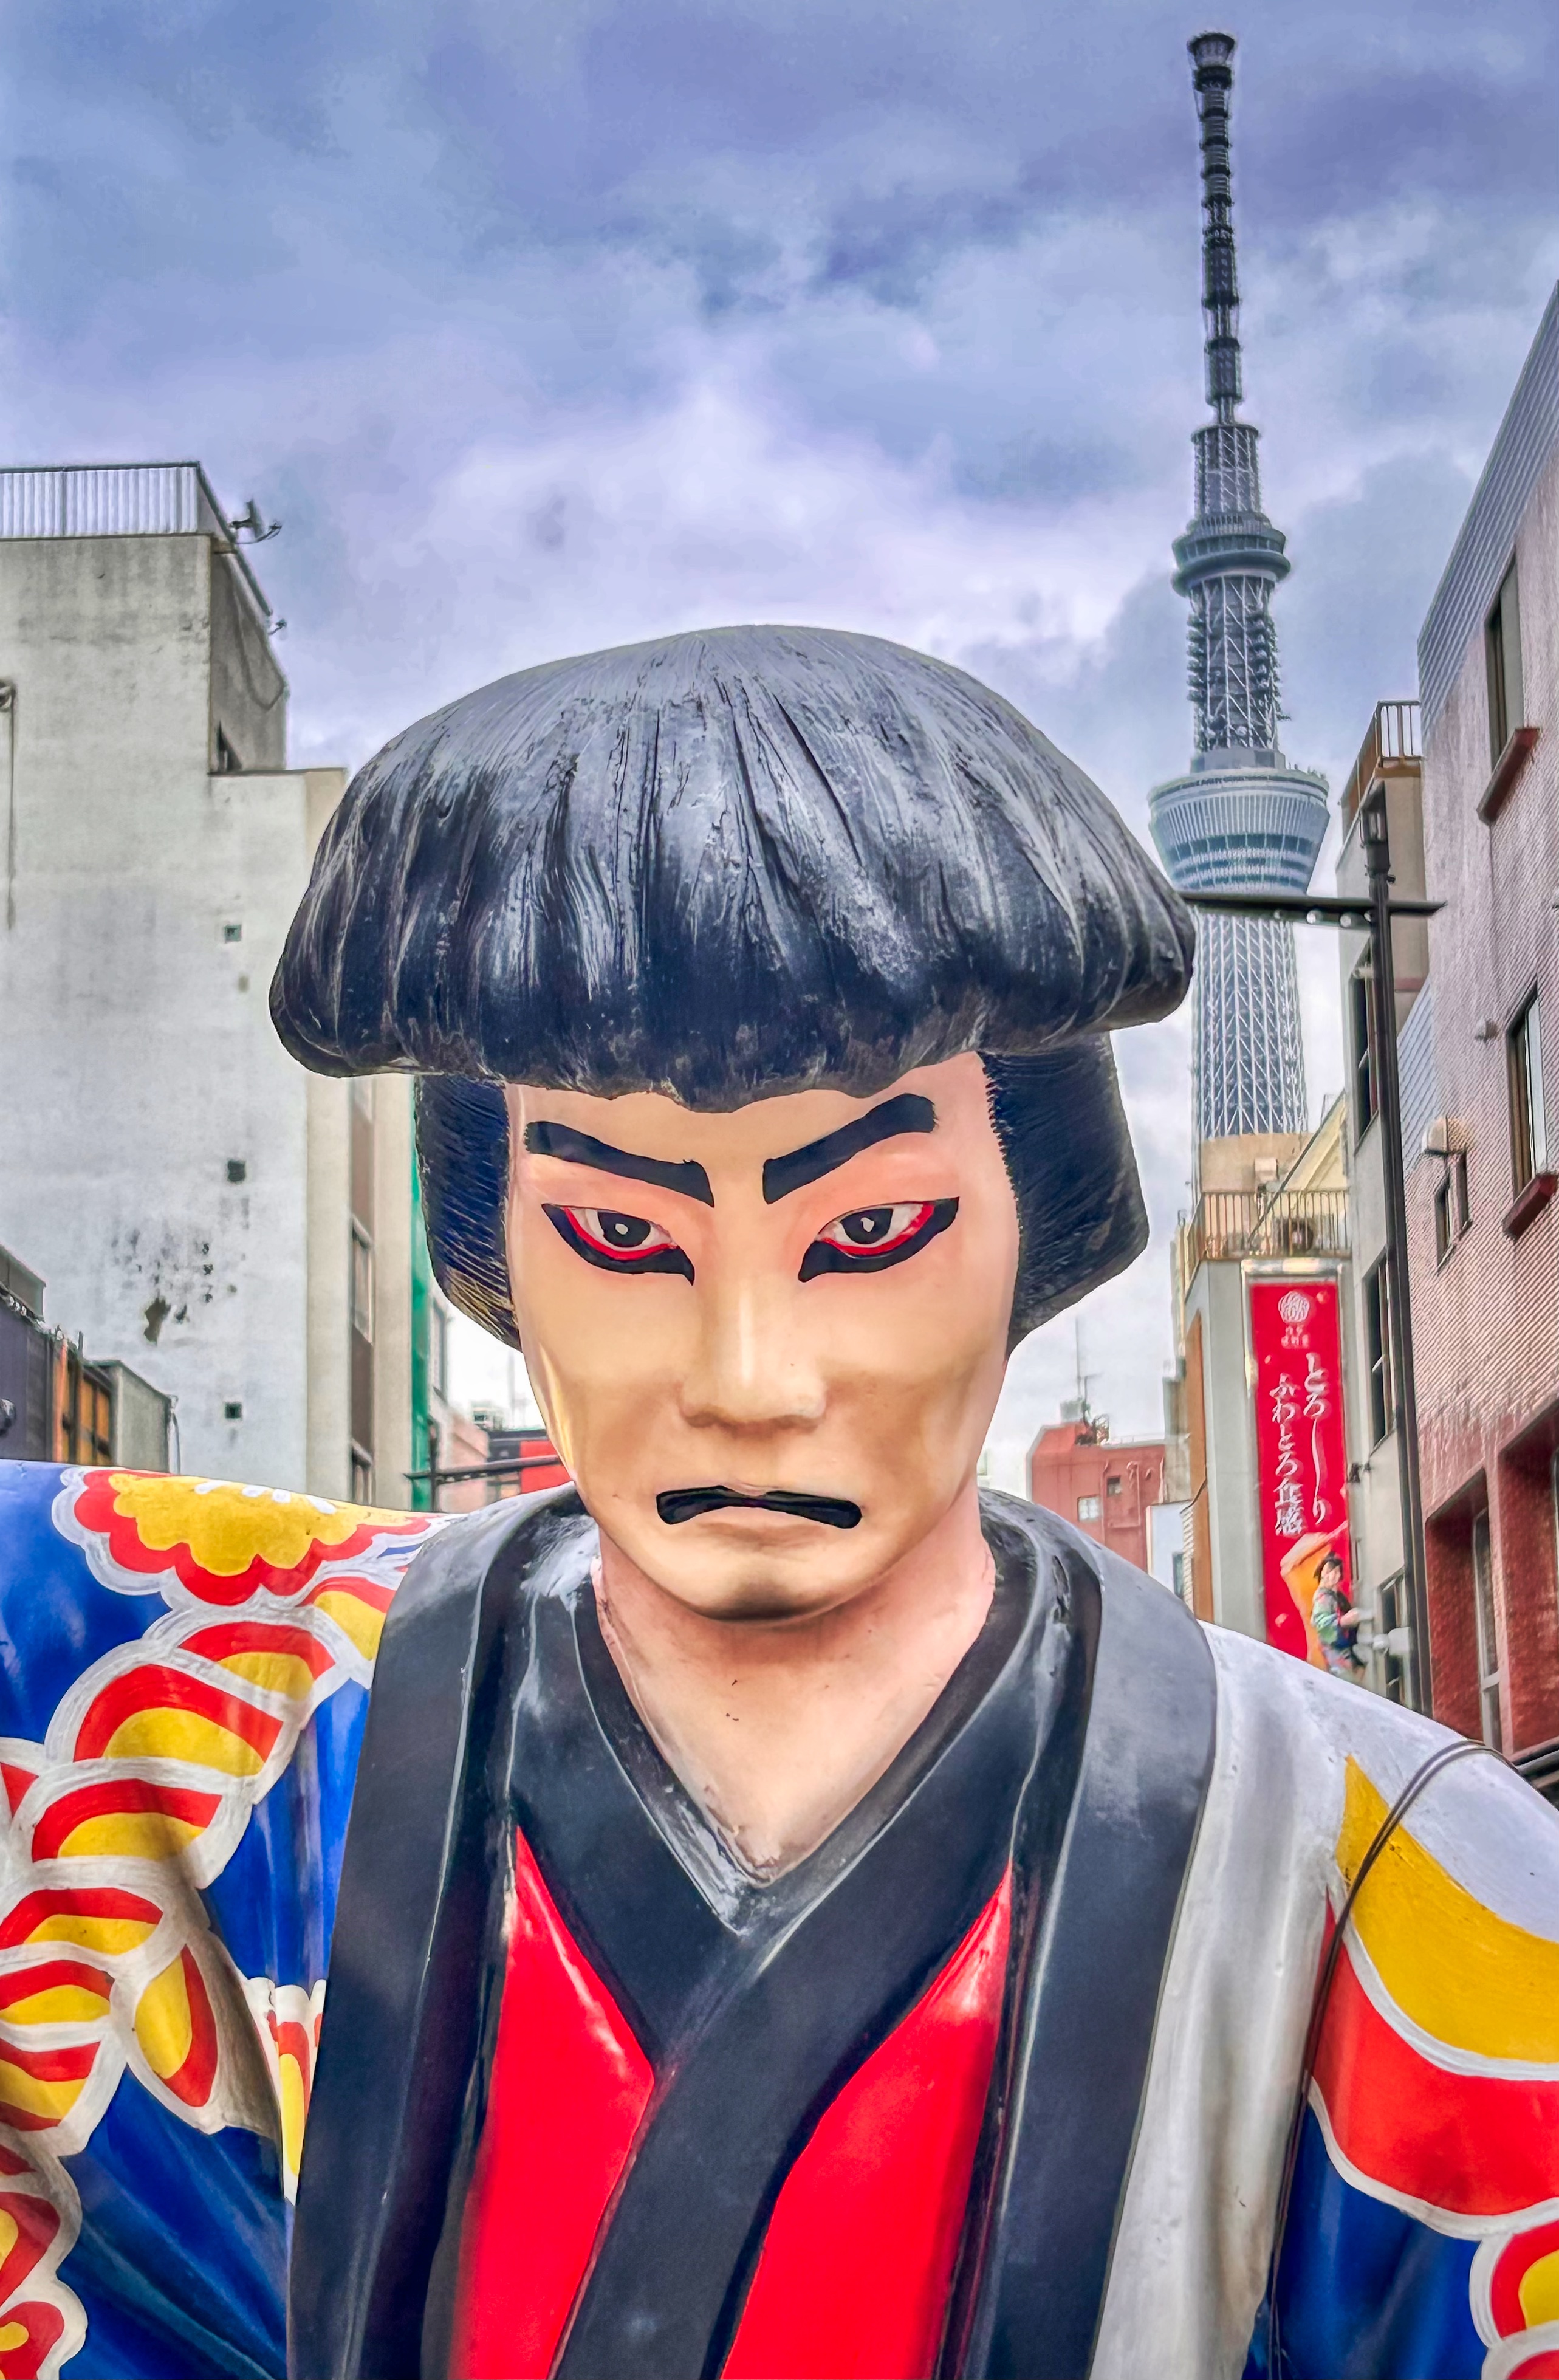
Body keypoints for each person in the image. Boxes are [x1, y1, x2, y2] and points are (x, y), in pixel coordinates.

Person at [1, 625, 1556, 2380]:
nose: (749, 1376)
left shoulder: (1379, 1873)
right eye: (620, 1232)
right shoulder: (217, 1732)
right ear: (489, 1244)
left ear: (1041, 1219)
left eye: (871, 1229)